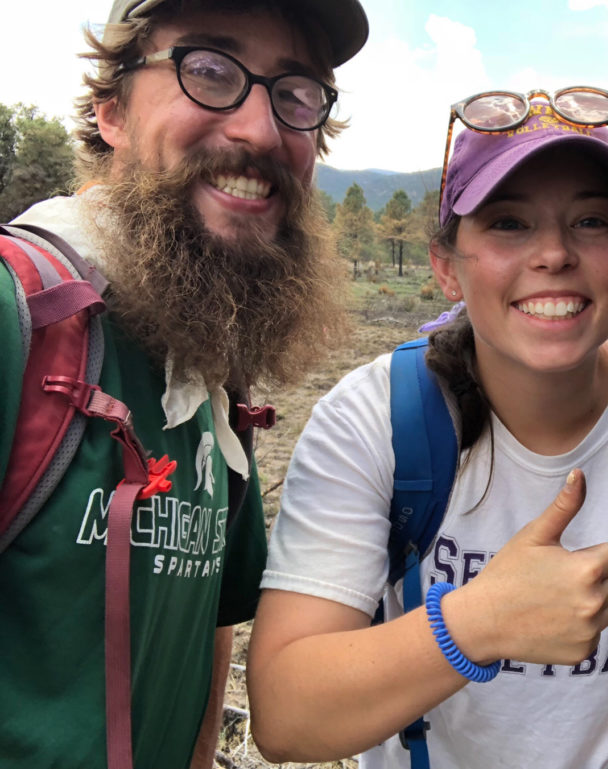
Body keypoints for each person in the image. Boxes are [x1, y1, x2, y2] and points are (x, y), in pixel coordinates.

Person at [246, 89, 608, 769]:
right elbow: (287, 716)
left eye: (589, 221)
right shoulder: (373, 423)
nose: (554, 253)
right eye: (507, 224)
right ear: (446, 267)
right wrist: (483, 621)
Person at [0, 0, 367, 767]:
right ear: (113, 114)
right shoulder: (19, 317)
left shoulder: (215, 377)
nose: (260, 131)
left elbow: (208, 623)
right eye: (208, 70)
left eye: (295, 92)